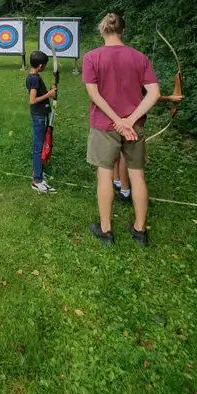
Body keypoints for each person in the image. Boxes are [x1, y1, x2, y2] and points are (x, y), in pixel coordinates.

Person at [82, 14, 172, 247]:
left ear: (102, 30)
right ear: (123, 31)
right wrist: (129, 121)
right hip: (135, 127)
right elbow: (153, 93)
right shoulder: (140, 58)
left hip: (104, 125)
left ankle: (105, 230)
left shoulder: (92, 57)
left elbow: (94, 94)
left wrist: (119, 121)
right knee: (137, 176)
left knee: (104, 174)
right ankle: (140, 231)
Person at [26, 50, 58, 193]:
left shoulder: (35, 77)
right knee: (39, 147)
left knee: (41, 144)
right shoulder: (34, 79)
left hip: (41, 114)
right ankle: (37, 180)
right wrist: (49, 94)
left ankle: (39, 172)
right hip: (38, 116)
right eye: (44, 65)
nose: (44, 67)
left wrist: (49, 91)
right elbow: (32, 100)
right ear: (40, 66)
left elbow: (40, 94)